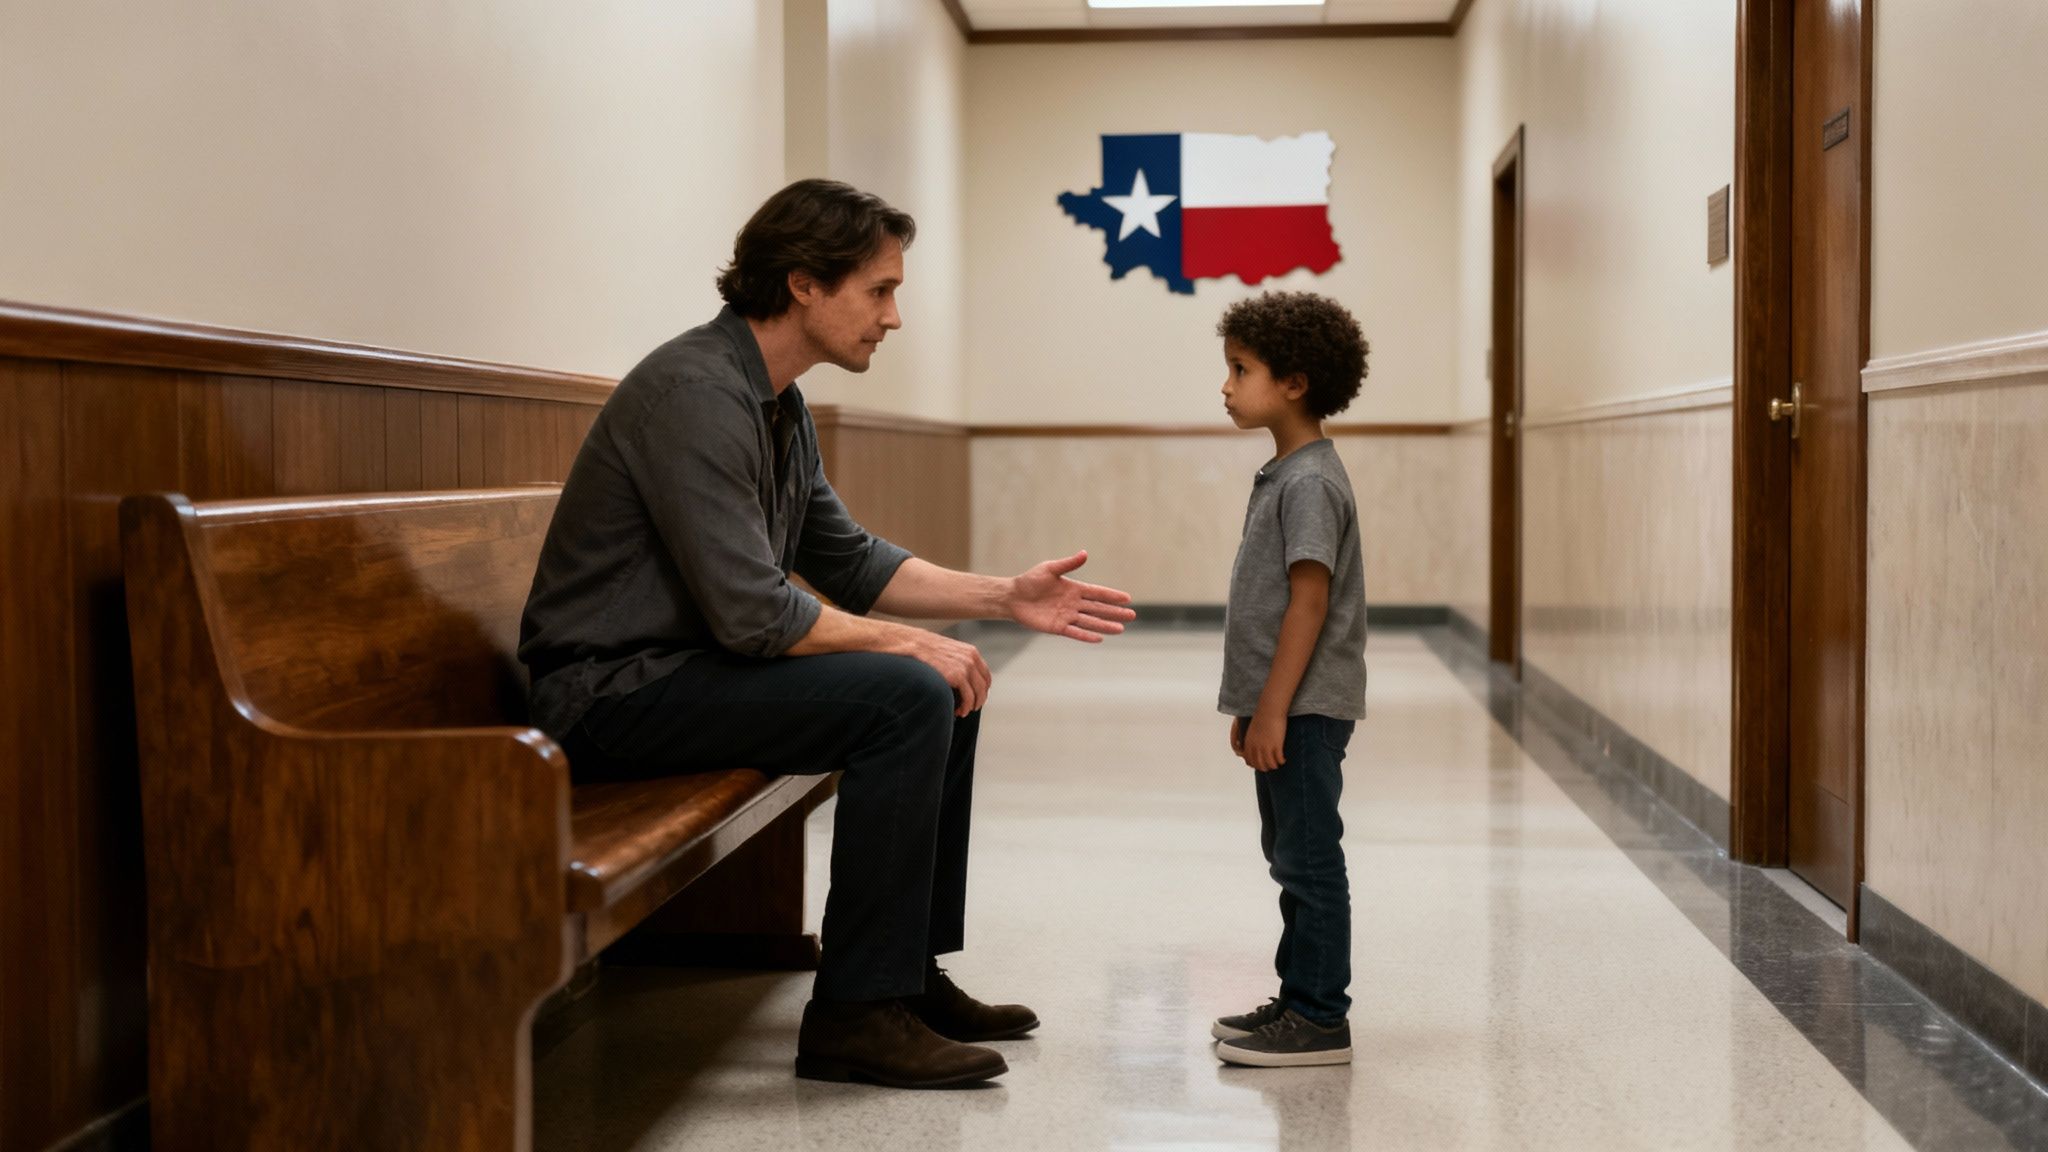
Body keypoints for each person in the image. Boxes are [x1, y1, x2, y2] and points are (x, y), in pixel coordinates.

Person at [518, 179, 1136, 1089]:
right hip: (610, 694)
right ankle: (853, 1016)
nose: (895, 316)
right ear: (804, 283)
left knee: (945, 685)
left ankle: (903, 976)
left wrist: (1004, 597)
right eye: (880, 290)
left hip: (687, 673)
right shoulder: (696, 393)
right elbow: (753, 611)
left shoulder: (775, 399)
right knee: (908, 691)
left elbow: (847, 560)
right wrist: (908, 645)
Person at [1206, 291, 1370, 1068]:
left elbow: (1310, 601)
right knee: (1290, 852)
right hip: (1284, 707)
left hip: (1303, 709)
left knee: (1308, 858)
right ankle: (1297, 992)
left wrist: (1272, 710)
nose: (1228, 385)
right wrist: (1253, 706)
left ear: (1295, 383)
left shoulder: (1308, 482)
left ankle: (1319, 1016)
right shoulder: (1286, 471)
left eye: (1242, 370)